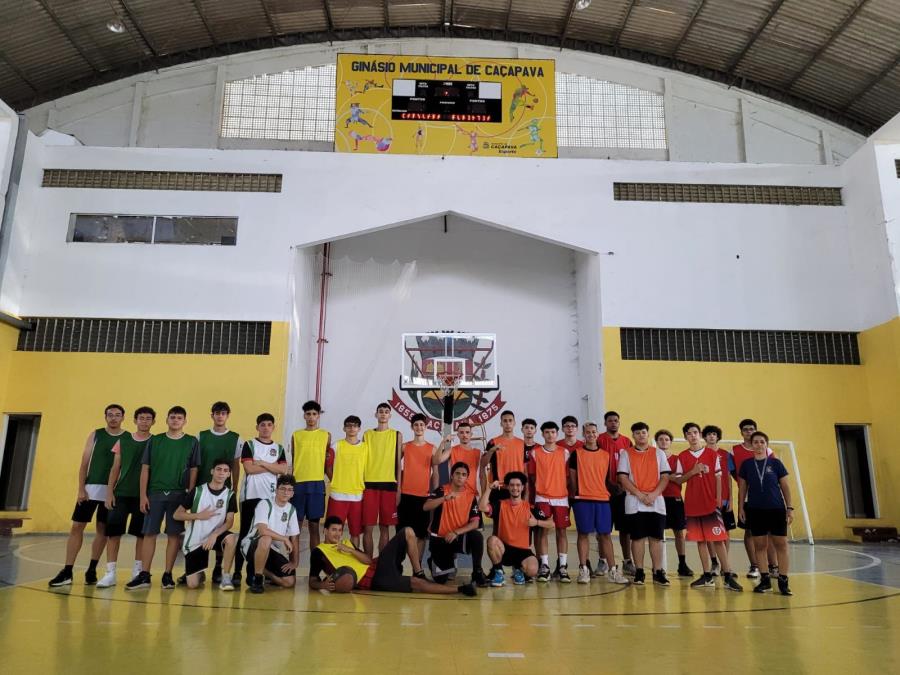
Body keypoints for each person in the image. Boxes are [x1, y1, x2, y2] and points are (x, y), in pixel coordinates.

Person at [49, 404, 127, 588]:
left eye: (117, 415)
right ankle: (67, 571)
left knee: (102, 530)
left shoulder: (127, 438)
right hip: (91, 489)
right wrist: (81, 489)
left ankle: (92, 569)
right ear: (105, 417)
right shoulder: (96, 434)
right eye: (110, 415)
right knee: (77, 527)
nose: (113, 418)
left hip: (111, 492)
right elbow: (84, 462)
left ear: (123, 417)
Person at [126, 406, 200, 590]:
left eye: (179, 418)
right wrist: (143, 495)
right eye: (172, 417)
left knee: (174, 535)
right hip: (155, 494)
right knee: (149, 534)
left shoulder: (191, 441)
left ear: (184, 421)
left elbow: (194, 469)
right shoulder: (155, 440)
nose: (175, 420)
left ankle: (168, 574)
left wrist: (189, 496)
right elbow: (145, 468)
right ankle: (144, 574)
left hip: (178, 495)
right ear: (167, 420)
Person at [309, 516, 476, 596]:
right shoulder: (319, 551)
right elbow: (312, 580)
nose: (337, 534)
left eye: (339, 530)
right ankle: (460, 589)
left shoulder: (346, 543)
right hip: (374, 581)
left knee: (408, 531)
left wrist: (351, 550)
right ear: (325, 530)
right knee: (416, 584)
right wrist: (323, 585)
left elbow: (367, 560)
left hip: (377, 565)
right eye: (333, 530)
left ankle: (418, 571)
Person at [677, 422, 742, 592]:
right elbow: (678, 480)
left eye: (695, 432)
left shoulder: (713, 455)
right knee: (700, 541)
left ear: (700, 435)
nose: (693, 436)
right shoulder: (682, 457)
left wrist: (718, 500)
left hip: (710, 504)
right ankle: (707, 576)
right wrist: (692, 471)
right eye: (689, 433)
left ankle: (727, 575)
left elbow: (720, 478)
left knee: (718, 540)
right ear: (685, 437)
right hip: (692, 504)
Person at [98, 406, 155, 588]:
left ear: (153, 422)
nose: (144, 421)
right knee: (113, 534)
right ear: (135, 420)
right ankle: (110, 573)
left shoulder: (156, 442)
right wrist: (109, 493)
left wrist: (147, 495)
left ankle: (137, 571)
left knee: (140, 535)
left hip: (143, 496)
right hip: (121, 494)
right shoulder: (123, 440)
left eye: (148, 418)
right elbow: (115, 468)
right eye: (141, 418)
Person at [569, 422, 629, 584]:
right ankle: (583, 569)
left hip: (602, 499)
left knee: (605, 535)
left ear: (597, 434)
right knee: (583, 534)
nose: (591, 434)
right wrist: (575, 496)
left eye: (593, 432)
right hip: (583, 499)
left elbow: (605, 478)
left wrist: (617, 488)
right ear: (584, 434)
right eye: (587, 432)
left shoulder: (605, 455)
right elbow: (573, 478)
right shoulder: (576, 454)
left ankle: (613, 571)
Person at [233, 413, 289, 586]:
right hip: (250, 496)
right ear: (257, 427)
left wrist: (262, 463)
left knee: (262, 536)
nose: (266, 427)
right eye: (262, 424)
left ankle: (254, 574)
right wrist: (272, 468)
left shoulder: (278, 448)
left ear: (273, 427)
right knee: (245, 534)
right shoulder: (249, 445)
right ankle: (236, 573)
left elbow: (283, 469)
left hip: (269, 499)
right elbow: (249, 468)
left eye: (269, 425)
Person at [738, 431, 793, 596]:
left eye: (762, 442)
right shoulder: (746, 464)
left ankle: (783, 581)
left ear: (766, 445)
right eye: (756, 442)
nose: (759, 445)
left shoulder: (776, 463)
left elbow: (785, 487)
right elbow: (742, 489)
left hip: (776, 509)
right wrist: (741, 508)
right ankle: (765, 580)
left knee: (781, 545)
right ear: (752, 445)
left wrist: (789, 508)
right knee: (760, 546)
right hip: (755, 510)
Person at [617, 422, 671, 586]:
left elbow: (665, 477)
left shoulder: (659, 453)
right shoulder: (626, 453)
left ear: (648, 434)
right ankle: (639, 571)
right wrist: (640, 495)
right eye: (637, 433)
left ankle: (657, 571)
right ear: (633, 435)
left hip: (656, 501)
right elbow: (623, 478)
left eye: (643, 432)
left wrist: (653, 495)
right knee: (637, 537)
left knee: (656, 537)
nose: (641, 435)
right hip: (635, 501)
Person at [173, 459, 238, 590]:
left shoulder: (230, 495)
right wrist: (198, 516)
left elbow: (229, 522)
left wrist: (214, 535)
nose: (221, 473)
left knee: (231, 539)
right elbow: (177, 514)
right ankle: (199, 573)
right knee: (192, 585)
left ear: (229, 474)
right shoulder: (197, 491)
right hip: (197, 539)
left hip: (215, 536)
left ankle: (225, 577)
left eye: (225, 471)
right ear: (212, 471)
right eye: (219, 469)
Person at [480, 471, 552, 586]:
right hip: (504, 549)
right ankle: (498, 572)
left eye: (518, 485)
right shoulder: (500, 504)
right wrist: (489, 488)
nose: (515, 488)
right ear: (508, 487)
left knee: (533, 570)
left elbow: (551, 523)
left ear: (522, 487)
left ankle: (519, 571)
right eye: (512, 485)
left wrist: (537, 522)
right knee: (491, 540)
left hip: (523, 551)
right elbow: (482, 507)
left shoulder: (530, 508)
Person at [196, 401, 241, 582]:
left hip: (224, 491)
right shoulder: (201, 436)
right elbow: (195, 464)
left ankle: (218, 567)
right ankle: (197, 568)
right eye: (217, 413)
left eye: (223, 413)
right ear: (212, 415)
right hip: (203, 489)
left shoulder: (236, 438)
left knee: (219, 528)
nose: (220, 416)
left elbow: (236, 466)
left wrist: (235, 486)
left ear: (227, 415)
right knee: (200, 528)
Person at [424, 462, 485, 586]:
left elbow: (475, 523)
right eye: (457, 473)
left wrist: (456, 532)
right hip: (441, 539)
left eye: (463, 474)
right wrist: (444, 499)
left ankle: (477, 571)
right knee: (441, 580)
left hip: (458, 537)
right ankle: (437, 561)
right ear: (452, 475)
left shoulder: (471, 495)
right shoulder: (441, 490)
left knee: (477, 536)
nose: (460, 477)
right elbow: (426, 506)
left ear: (467, 477)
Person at [731, 418, 776, 578]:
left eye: (751, 429)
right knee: (749, 532)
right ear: (741, 432)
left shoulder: (768, 451)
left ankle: (773, 566)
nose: (749, 432)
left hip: (768, 498)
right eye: (746, 430)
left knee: (769, 532)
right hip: (749, 498)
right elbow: (733, 473)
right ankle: (754, 566)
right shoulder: (734, 451)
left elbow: (774, 473)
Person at [529, 421, 571, 583]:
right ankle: (544, 566)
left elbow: (568, 476)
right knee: (543, 532)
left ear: (557, 434)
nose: (550, 435)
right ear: (542, 434)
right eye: (547, 432)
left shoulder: (565, 453)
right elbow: (532, 476)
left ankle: (562, 567)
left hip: (561, 497)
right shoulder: (535, 453)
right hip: (542, 497)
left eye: (553, 432)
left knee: (562, 532)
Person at [243, 474, 300, 594]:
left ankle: (262, 570)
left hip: (272, 550)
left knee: (290, 581)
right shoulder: (265, 504)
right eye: (283, 489)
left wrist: (294, 562)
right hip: (252, 546)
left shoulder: (291, 510)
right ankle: (258, 580)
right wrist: (284, 538)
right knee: (266, 538)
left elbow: (294, 538)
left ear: (293, 493)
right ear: (276, 490)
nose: (286, 492)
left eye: (289, 490)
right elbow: (262, 531)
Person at [290, 400, 331, 552]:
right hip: (299, 484)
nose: (311, 417)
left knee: (314, 527)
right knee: (296, 527)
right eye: (308, 414)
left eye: (314, 414)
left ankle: (315, 567)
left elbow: (327, 462)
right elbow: (294, 461)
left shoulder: (326, 435)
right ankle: (292, 564)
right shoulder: (296, 435)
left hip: (317, 485)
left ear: (318, 416)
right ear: (304, 416)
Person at [362, 403, 402, 556]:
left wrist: (399, 488)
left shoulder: (396, 434)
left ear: (390, 415)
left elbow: (398, 463)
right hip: (369, 485)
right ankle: (368, 563)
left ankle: (381, 564)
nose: (383, 414)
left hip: (389, 485)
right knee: (368, 527)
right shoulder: (367, 434)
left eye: (386, 412)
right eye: (381, 412)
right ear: (376, 415)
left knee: (385, 527)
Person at [598, 410, 635, 576]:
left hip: (623, 492)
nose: (613, 423)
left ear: (619, 423)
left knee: (625, 529)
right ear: (605, 423)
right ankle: (602, 561)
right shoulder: (599, 439)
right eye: (610, 421)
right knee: (603, 529)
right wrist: (608, 483)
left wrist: (624, 485)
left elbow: (632, 467)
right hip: (603, 491)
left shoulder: (627, 441)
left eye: (616, 421)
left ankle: (627, 561)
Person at [325, 415, 368, 548]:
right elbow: (328, 468)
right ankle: (331, 564)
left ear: (359, 429)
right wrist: (337, 481)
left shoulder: (366, 447)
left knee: (355, 533)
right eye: (348, 425)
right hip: (338, 495)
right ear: (344, 428)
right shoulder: (336, 445)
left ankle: (354, 561)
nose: (351, 428)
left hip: (357, 496)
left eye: (354, 426)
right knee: (332, 533)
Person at [397, 414, 435, 562]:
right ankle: (398, 565)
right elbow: (396, 468)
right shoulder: (405, 447)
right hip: (406, 496)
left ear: (426, 427)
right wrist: (398, 489)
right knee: (403, 533)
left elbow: (435, 473)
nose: (419, 427)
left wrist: (434, 494)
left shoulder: (432, 448)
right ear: (412, 427)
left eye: (422, 425)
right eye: (416, 425)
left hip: (423, 497)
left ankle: (417, 568)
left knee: (421, 535)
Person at [656, 428, 693, 577]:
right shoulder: (653, 458)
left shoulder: (677, 459)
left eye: (666, 439)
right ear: (657, 442)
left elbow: (679, 478)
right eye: (661, 439)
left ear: (670, 442)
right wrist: (668, 475)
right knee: (657, 534)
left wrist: (663, 474)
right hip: (658, 498)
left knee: (679, 532)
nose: (664, 442)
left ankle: (682, 564)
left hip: (675, 498)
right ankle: (658, 567)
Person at [702, 424, 735, 576]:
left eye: (714, 434)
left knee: (725, 533)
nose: (711, 436)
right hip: (708, 500)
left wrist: (731, 500)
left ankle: (725, 564)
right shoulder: (701, 454)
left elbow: (728, 479)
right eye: (708, 434)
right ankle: (714, 562)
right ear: (705, 437)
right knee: (710, 532)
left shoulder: (725, 454)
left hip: (724, 500)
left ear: (717, 436)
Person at [480, 410, 526, 497]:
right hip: (498, 488)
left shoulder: (522, 443)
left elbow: (526, 470)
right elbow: (483, 464)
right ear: (501, 423)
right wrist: (491, 450)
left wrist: (526, 493)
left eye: (510, 420)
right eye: (505, 421)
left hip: (517, 489)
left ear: (514, 423)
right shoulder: (493, 442)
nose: (508, 423)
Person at [432, 421, 482, 493]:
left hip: (472, 493)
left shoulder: (478, 453)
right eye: (461, 433)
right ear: (458, 435)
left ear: (471, 434)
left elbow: (482, 475)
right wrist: (442, 443)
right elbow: (436, 461)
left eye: (467, 432)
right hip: (455, 493)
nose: (464, 435)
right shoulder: (452, 450)